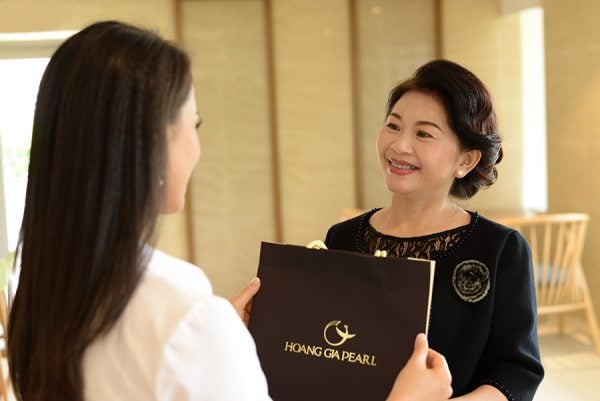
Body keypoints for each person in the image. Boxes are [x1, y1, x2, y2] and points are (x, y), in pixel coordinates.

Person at [7, 21, 451, 401]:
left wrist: (222, 340)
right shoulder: (185, 313)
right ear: (152, 142)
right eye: (194, 123)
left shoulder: (37, 291)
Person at [324, 59, 544, 401]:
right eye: (393, 125)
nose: (399, 145)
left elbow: (517, 371)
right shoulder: (341, 238)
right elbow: (323, 346)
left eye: (423, 133)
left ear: (465, 161)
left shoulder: (500, 249)